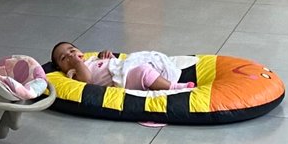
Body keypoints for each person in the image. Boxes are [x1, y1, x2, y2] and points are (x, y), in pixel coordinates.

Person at [50, 41, 194, 92]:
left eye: (72, 50)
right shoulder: (73, 72)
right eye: (64, 58)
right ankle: (173, 87)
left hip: (123, 71)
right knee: (143, 71)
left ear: (80, 52)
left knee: (148, 61)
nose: (70, 56)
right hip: (122, 82)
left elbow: (113, 66)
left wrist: (108, 57)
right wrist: (78, 64)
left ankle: (163, 76)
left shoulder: (92, 59)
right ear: (60, 68)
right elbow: (87, 80)